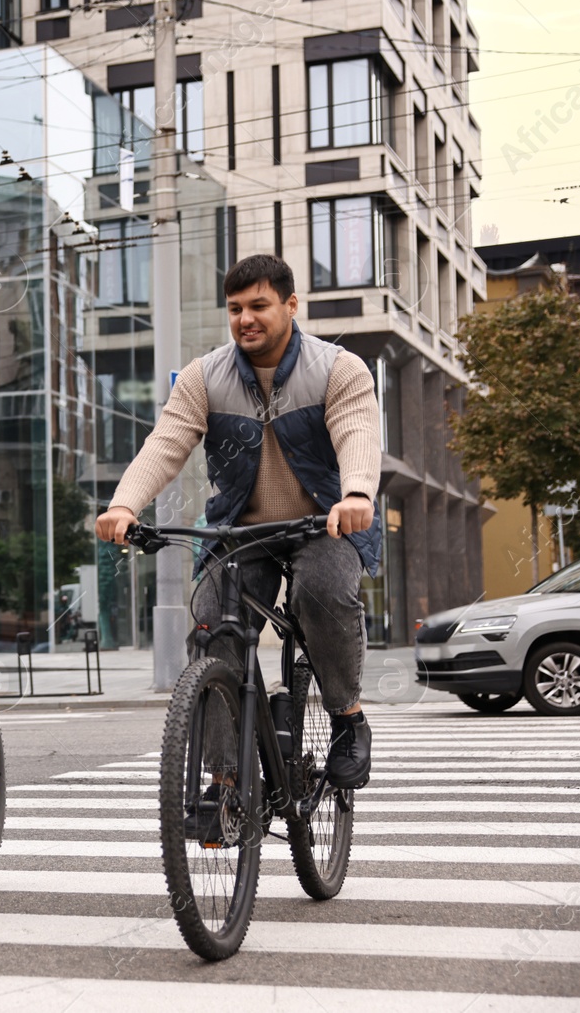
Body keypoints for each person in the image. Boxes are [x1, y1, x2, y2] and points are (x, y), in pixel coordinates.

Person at [94, 254, 379, 794]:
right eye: (235, 308)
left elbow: (356, 433)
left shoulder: (339, 369)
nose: (246, 318)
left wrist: (357, 493)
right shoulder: (205, 377)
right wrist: (124, 505)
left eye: (259, 306)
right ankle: (225, 781)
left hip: (325, 524)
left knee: (321, 592)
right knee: (211, 624)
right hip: (242, 532)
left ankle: (347, 716)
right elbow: (166, 444)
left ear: (291, 305)